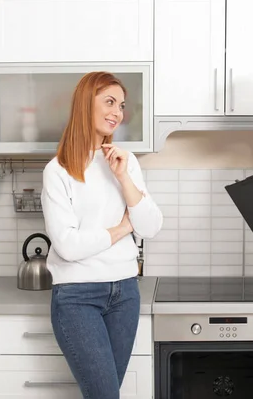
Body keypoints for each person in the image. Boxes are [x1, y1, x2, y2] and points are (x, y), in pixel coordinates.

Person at [41, 71, 163, 399]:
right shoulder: (59, 170)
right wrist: (123, 228)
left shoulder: (125, 162)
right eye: (109, 102)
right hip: (77, 297)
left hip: (125, 293)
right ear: (85, 105)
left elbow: (151, 226)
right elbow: (67, 246)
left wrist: (123, 177)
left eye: (121, 105)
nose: (117, 112)